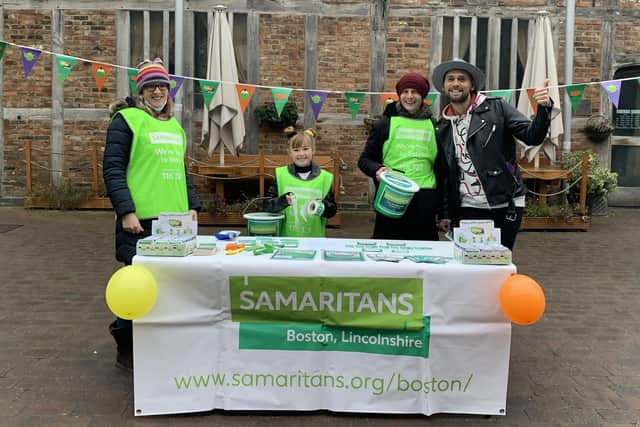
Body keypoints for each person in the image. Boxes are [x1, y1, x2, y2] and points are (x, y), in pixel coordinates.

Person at [102, 58, 201, 371]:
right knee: (137, 284)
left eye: (162, 86)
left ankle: (159, 344)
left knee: (169, 285)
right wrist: (126, 211)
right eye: (151, 86)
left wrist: (193, 205)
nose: (158, 91)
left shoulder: (174, 125)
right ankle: (126, 347)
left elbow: (180, 170)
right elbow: (113, 169)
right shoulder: (126, 120)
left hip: (174, 223)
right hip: (139, 223)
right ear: (140, 90)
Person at [431, 59, 552, 250]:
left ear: (471, 85)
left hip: (505, 203)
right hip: (468, 207)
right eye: (450, 79)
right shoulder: (442, 126)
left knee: (499, 265)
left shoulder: (497, 108)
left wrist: (543, 107)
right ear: (444, 86)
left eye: (461, 79)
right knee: (472, 265)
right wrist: (445, 212)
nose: (455, 83)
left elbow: (532, 137)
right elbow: (446, 174)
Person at [358, 72, 446, 241]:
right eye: (405, 92)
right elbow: (364, 160)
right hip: (392, 197)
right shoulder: (384, 123)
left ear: (423, 96)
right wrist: (376, 169)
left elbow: (442, 170)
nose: (409, 96)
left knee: (425, 259)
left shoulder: (434, 125)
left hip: (424, 200)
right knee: (388, 257)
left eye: (415, 92)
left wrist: (443, 211)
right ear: (399, 95)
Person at [263, 127, 337, 237]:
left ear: (313, 150)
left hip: (315, 241)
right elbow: (267, 205)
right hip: (287, 242)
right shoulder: (280, 175)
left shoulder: (324, 178)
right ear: (290, 153)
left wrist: (323, 206)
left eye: (306, 149)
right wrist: (282, 201)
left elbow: (332, 210)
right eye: (296, 150)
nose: (301, 154)